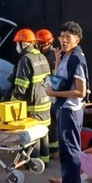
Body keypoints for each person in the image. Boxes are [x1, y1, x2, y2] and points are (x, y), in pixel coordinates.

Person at [44, 22, 88, 183]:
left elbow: (81, 91)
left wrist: (54, 95)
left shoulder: (76, 59)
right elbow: (58, 79)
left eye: (67, 37)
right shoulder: (66, 57)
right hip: (64, 109)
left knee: (70, 153)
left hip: (70, 110)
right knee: (68, 151)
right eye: (62, 37)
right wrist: (56, 61)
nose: (63, 40)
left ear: (77, 39)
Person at [7, 29, 52, 162]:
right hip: (45, 100)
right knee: (43, 131)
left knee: (33, 133)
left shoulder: (26, 59)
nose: (17, 46)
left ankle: (33, 161)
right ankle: (44, 160)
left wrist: (12, 102)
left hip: (33, 105)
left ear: (24, 43)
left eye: (18, 43)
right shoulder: (41, 56)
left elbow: (21, 86)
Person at [36, 28, 59, 156]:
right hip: (48, 90)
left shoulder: (50, 56)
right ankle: (52, 147)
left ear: (47, 43)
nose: (38, 45)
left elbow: (52, 76)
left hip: (51, 91)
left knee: (51, 120)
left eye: (40, 43)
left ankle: (53, 148)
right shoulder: (49, 54)